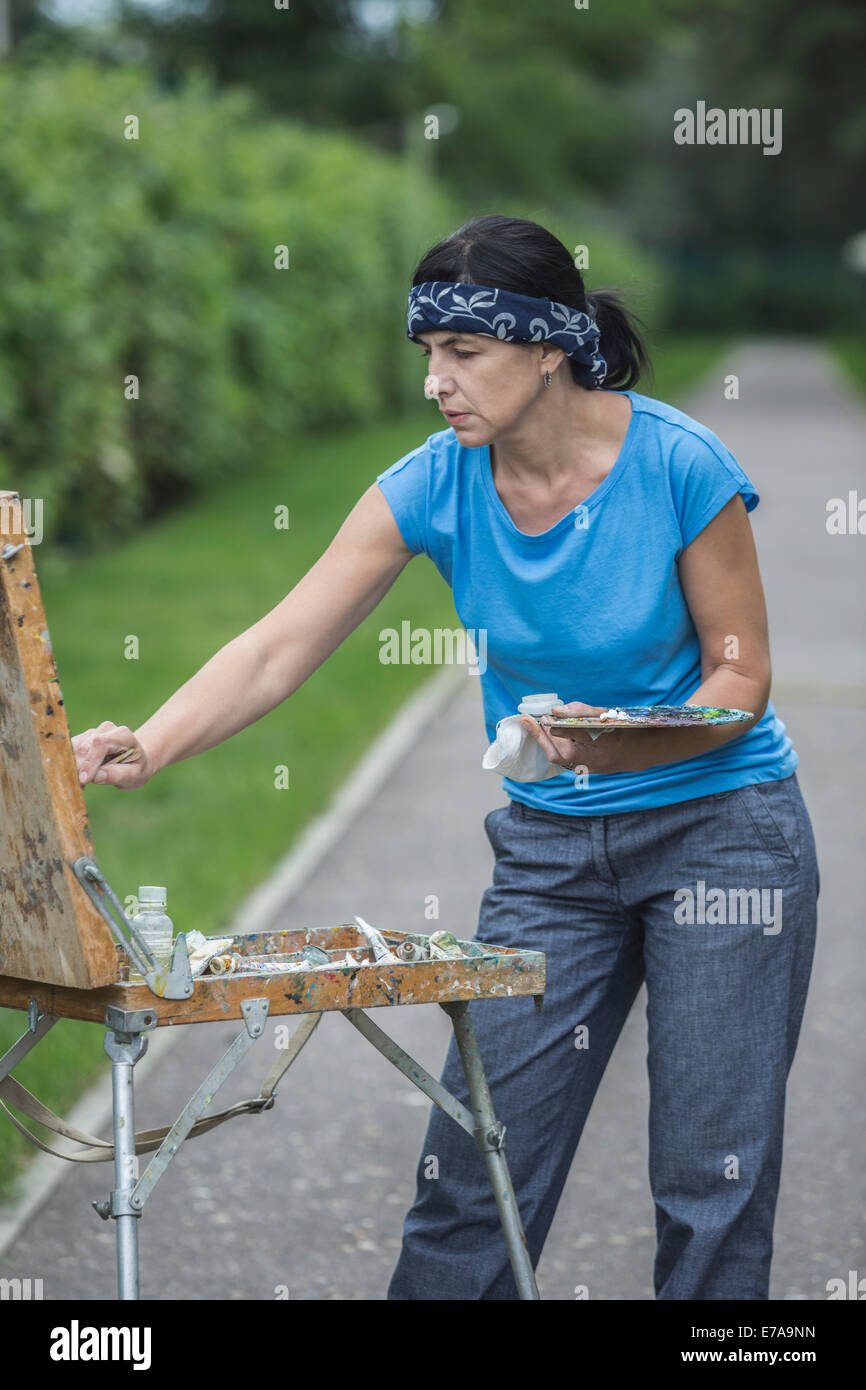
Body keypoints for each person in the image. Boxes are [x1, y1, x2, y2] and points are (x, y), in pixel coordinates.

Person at [73, 214, 819, 1301]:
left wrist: (617, 738)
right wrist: (153, 741)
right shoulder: (434, 481)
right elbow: (281, 643)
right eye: (428, 352)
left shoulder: (679, 465)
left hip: (722, 837)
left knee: (712, 1181)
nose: (437, 382)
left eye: (463, 352)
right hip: (553, 852)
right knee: (474, 1174)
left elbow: (738, 680)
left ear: (548, 348)